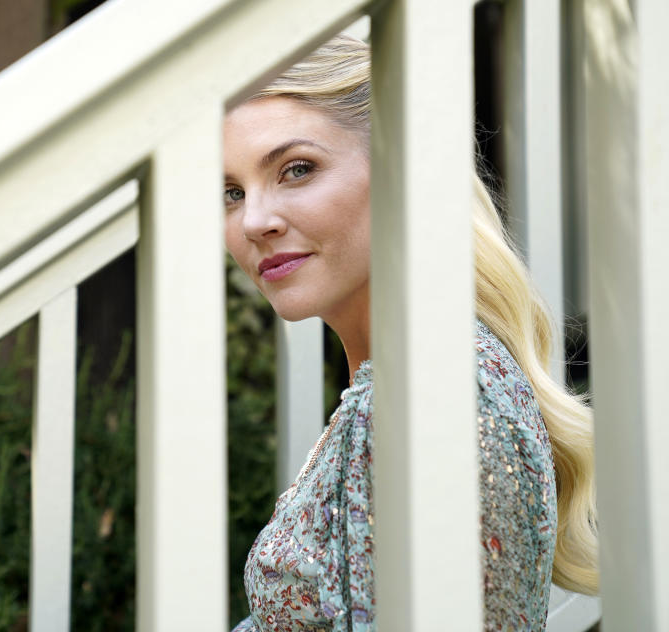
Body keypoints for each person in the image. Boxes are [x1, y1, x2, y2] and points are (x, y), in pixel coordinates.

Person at [224, 36, 598, 631]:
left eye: (296, 170)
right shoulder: (404, 381)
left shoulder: (438, 391)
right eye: (232, 192)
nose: (254, 221)